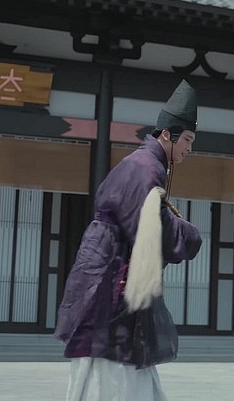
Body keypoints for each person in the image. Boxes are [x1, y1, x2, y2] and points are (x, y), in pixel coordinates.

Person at [54, 80, 204, 401]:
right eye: (188, 140)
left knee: (119, 362)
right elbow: (150, 227)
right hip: (111, 279)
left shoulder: (144, 164)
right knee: (113, 363)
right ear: (168, 135)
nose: (190, 148)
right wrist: (191, 235)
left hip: (108, 270)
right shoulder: (144, 168)